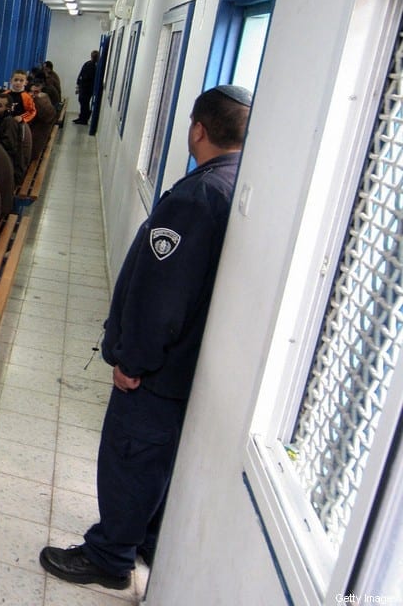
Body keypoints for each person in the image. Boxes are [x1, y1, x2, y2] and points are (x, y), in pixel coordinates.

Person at [39, 85, 252, 590]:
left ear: (197, 129)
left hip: (156, 373)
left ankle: (109, 556)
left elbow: (162, 298)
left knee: (129, 458)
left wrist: (132, 360)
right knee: (153, 462)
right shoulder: (235, 184)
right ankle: (142, 537)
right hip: (182, 369)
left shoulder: (198, 197)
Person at [73, 50, 99, 124]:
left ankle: (84, 118)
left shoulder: (94, 66)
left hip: (87, 88)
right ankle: (82, 117)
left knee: (84, 103)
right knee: (82, 102)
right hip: (84, 87)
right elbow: (81, 74)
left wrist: (79, 83)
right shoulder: (88, 64)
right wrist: (78, 84)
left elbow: (87, 77)